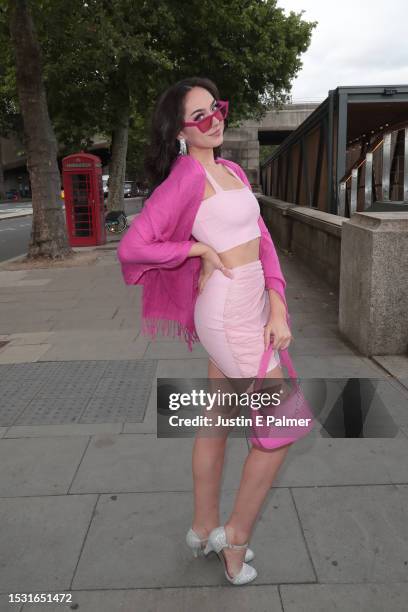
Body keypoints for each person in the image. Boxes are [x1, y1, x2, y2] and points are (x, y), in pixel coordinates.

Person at [117, 77, 295, 586]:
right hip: (228, 313)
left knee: (216, 415)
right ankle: (233, 540)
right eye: (198, 115)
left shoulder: (233, 169)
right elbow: (132, 247)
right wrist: (194, 250)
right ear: (179, 130)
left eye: (215, 108)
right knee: (280, 429)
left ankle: (201, 527)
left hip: (251, 304)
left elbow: (262, 242)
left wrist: (278, 307)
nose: (212, 118)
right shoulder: (186, 178)